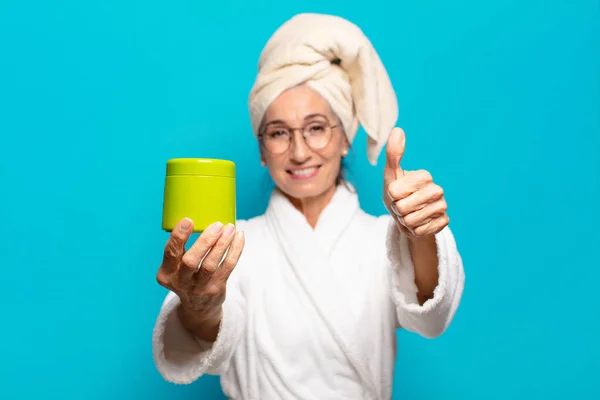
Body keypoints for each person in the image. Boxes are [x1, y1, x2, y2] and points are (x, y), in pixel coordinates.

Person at [152, 13, 465, 400]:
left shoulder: (384, 241)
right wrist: (199, 306)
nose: (299, 152)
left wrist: (420, 234)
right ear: (262, 151)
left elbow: (432, 318)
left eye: (316, 127)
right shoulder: (231, 245)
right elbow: (202, 346)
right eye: (279, 133)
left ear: (345, 138)